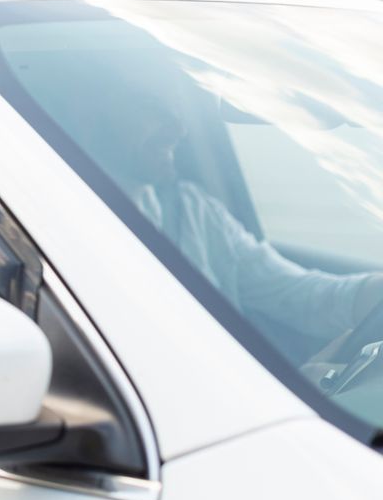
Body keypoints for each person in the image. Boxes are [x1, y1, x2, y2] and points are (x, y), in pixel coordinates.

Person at [75, 78, 383, 349]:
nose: (178, 129)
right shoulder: (68, 226)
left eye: (178, 108)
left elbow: (300, 296)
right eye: (152, 106)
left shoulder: (195, 209)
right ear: (92, 115)